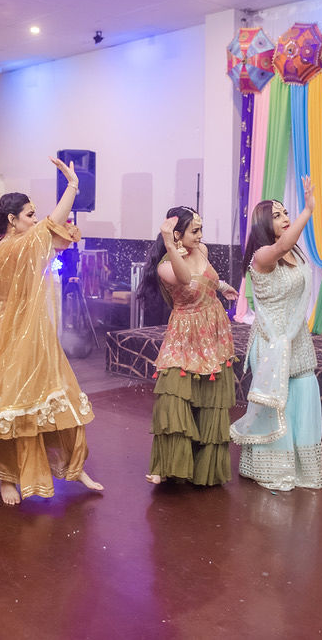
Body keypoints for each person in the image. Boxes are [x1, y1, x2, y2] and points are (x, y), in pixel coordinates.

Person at [0, 157, 103, 505]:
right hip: (16, 339)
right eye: (29, 214)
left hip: (39, 336)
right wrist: (72, 186)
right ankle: (6, 477)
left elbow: (53, 239)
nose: (36, 219)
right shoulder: (12, 247)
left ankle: (74, 467)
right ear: (12, 220)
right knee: (11, 412)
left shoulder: (22, 245)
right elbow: (54, 226)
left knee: (63, 398)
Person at [230, 178, 322, 491]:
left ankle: (303, 469)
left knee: (305, 396)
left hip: (297, 341)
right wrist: (308, 209)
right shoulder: (262, 256)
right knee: (277, 407)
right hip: (272, 343)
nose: (286, 218)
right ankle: (273, 468)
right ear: (263, 224)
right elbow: (282, 244)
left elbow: (289, 247)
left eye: (287, 213)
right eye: (279, 215)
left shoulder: (295, 255)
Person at [137, 207, 238, 486]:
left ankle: (202, 464)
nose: (201, 235)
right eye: (195, 230)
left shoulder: (201, 250)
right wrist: (169, 243)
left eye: (201, 229)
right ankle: (167, 464)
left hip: (212, 329)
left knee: (209, 394)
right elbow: (184, 279)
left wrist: (223, 286)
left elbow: (208, 277)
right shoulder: (166, 266)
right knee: (174, 393)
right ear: (178, 234)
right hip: (184, 332)